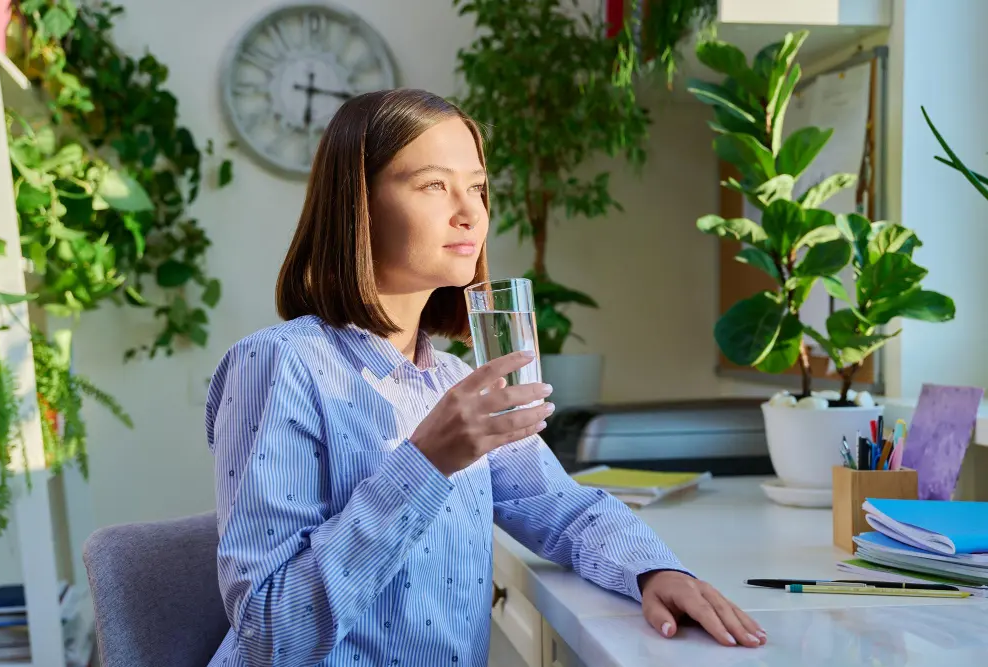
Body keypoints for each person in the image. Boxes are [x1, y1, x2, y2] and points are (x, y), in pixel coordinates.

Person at [205, 88, 766, 667]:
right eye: (433, 185)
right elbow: (268, 635)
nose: (470, 210)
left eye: (476, 187)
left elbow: (560, 506)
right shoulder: (279, 364)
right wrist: (425, 463)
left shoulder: (451, 379)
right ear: (357, 204)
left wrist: (654, 570)